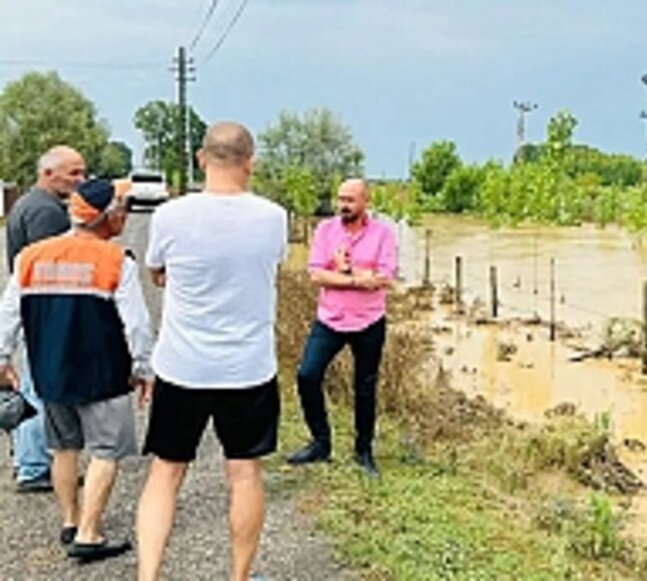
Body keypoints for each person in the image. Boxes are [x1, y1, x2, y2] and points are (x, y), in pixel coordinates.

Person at [135, 122, 288, 581]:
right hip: (247, 369)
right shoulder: (273, 217)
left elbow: (157, 270)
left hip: (182, 366)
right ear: (250, 162)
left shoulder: (170, 216)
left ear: (202, 159)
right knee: (243, 474)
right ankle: (239, 577)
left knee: (166, 473)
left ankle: (149, 576)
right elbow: (267, 266)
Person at [0, 178, 153, 563]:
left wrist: (2, 359)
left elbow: (8, 315)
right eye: (122, 207)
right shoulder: (117, 261)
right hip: (103, 374)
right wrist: (144, 368)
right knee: (106, 450)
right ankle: (89, 533)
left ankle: (70, 521)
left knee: (63, 448)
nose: (125, 214)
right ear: (107, 216)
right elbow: (135, 325)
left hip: (50, 371)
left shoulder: (30, 258)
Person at [287, 179, 397, 477]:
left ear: (366, 201)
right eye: (340, 199)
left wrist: (344, 270)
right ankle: (321, 443)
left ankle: (363, 450)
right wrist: (355, 279)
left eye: (350, 200)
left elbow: (386, 277)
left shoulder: (384, 234)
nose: (343, 205)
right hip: (330, 319)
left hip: (369, 321)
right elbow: (316, 274)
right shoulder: (326, 230)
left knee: (365, 386)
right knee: (307, 375)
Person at [4, 146, 84, 493]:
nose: (80, 180)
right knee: (39, 388)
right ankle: (34, 464)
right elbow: (51, 267)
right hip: (43, 312)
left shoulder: (31, 204)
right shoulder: (46, 213)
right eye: (73, 173)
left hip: (32, 309)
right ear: (49, 173)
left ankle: (33, 460)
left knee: (36, 385)